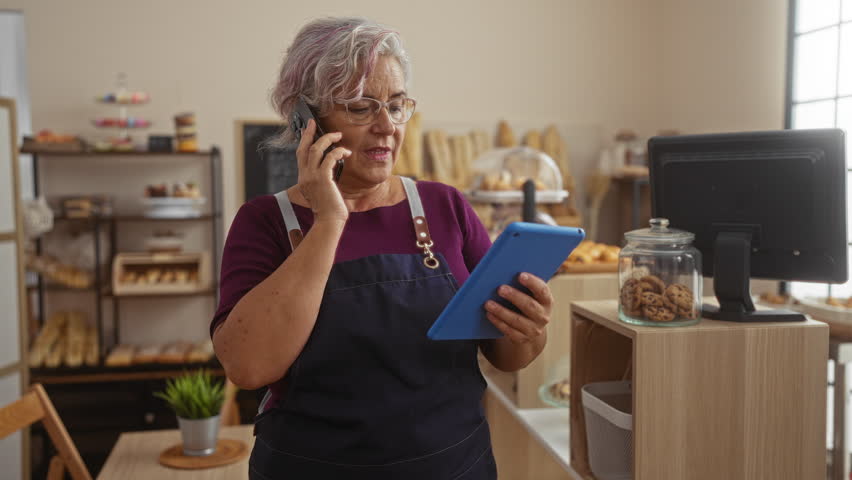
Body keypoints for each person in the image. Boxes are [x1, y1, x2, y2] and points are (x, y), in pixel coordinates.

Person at [211, 17, 554, 480]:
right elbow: (248, 367)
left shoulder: (445, 206)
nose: (386, 126)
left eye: (396, 106)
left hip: (455, 466)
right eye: (360, 107)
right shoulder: (265, 223)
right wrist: (330, 220)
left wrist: (528, 331)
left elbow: (505, 356)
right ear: (307, 120)